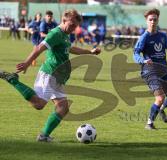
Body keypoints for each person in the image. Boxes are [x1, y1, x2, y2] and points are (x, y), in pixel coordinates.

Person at [0, 9, 101, 142]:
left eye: (75, 26)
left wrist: (90, 52)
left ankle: (43, 136)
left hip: (58, 78)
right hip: (49, 74)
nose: (73, 28)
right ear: (64, 21)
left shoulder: (65, 34)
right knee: (39, 104)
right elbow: (39, 48)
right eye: (71, 25)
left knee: (63, 108)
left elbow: (70, 49)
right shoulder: (55, 34)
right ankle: (14, 80)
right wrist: (27, 63)